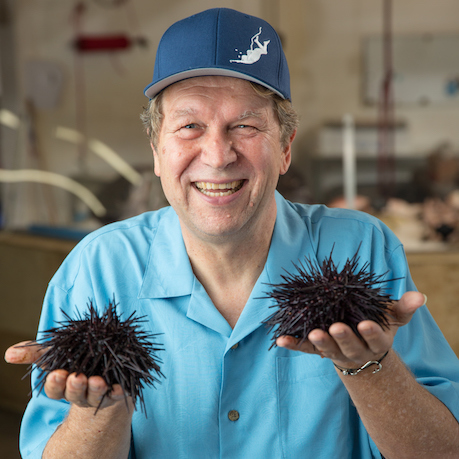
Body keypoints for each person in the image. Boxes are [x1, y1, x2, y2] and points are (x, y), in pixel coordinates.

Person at [5, 8, 459, 459]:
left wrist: (371, 367)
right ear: (156, 151)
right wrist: (99, 410)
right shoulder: (98, 268)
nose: (218, 155)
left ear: (284, 148)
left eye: (245, 125)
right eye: (189, 126)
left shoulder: (363, 248)